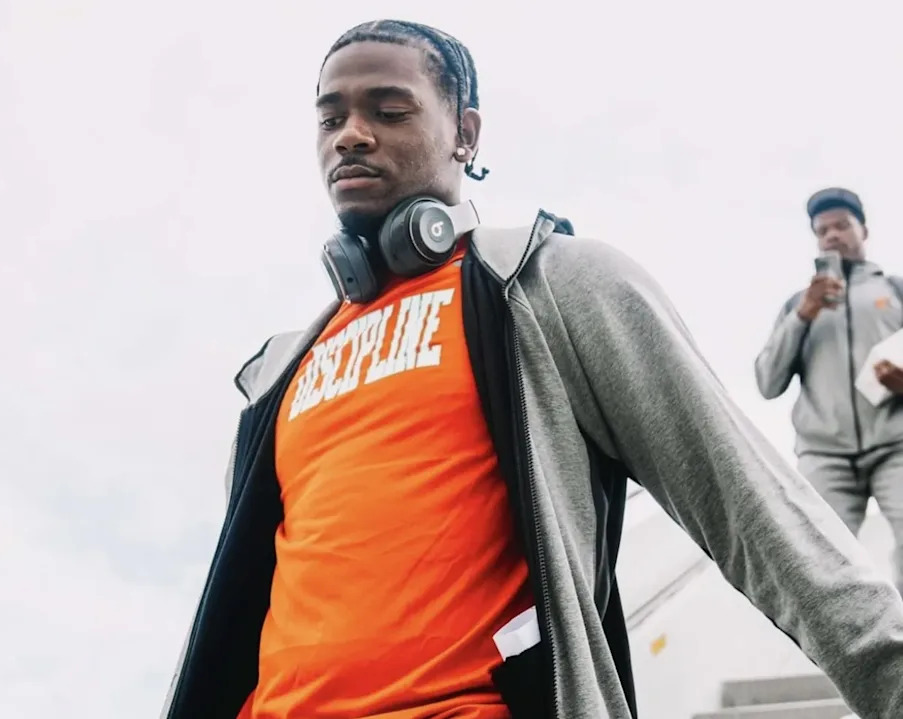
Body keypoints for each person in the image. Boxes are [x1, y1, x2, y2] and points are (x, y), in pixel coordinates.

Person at [162, 21, 903, 719]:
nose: (352, 135)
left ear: (465, 134)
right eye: (330, 119)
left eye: (389, 110)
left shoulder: (555, 288)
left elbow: (753, 507)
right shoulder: (279, 374)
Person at [756, 187, 903, 597]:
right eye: (823, 230)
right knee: (823, 567)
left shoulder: (895, 291)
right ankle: (853, 659)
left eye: (842, 225)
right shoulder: (797, 306)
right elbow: (767, 382)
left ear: (864, 230)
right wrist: (805, 313)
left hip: (896, 446)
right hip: (825, 455)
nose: (832, 236)